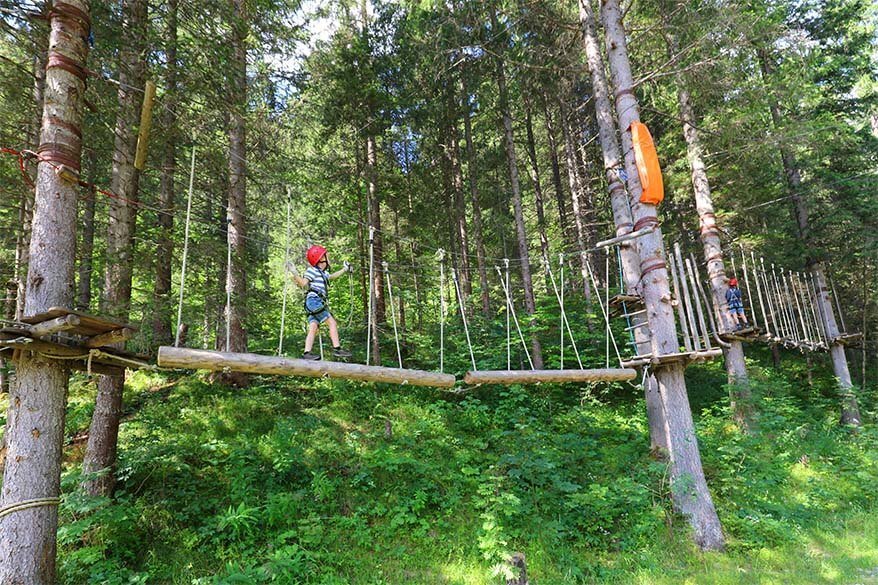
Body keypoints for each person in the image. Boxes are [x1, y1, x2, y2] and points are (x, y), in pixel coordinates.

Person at [294, 245, 353, 360]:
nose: (328, 258)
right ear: (321, 258)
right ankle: (337, 349)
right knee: (332, 323)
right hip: (314, 301)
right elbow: (303, 283)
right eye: (326, 256)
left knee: (313, 327)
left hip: (314, 303)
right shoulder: (312, 271)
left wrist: (344, 269)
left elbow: (332, 276)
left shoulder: (323, 273)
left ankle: (307, 353)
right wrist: (294, 273)